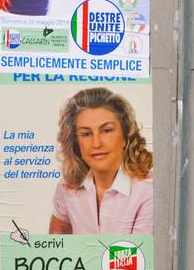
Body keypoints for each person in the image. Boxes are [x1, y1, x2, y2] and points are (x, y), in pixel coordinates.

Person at [47, 87, 154, 235]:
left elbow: (138, 256)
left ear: (125, 136)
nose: (96, 143)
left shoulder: (149, 191)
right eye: (86, 133)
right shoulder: (68, 185)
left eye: (106, 130)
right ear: (76, 142)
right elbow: (56, 242)